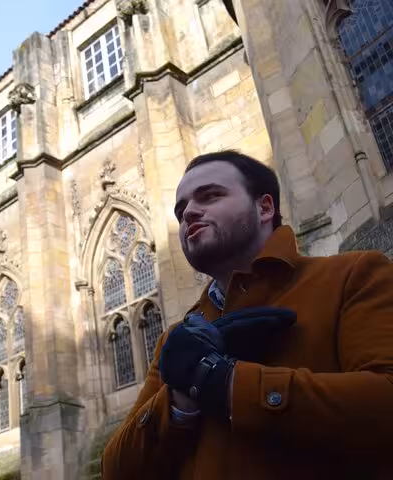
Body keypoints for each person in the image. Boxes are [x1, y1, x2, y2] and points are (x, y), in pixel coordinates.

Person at [101, 150, 393, 479]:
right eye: (181, 211)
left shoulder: (353, 275)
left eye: (210, 196)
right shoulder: (177, 338)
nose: (189, 214)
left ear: (264, 207)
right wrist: (180, 398)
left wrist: (227, 383)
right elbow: (116, 470)